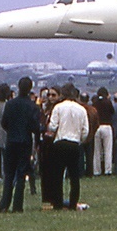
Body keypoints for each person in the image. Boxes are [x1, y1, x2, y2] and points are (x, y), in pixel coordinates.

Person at [0, 77, 42, 214]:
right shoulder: (32, 106)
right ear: (30, 88)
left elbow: (4, 122)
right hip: (25, 142)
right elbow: (35, 126)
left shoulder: (10, 104)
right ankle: (18, 205)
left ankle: (4, 203)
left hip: (11, 141)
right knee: (22, 173)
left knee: (9, 173)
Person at [47, 83, 89, 211]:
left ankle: (58, 203)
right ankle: (73, 203)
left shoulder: (58, 108)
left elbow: (52, 126)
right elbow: (85, 131)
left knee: (58, 175)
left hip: (60, 143)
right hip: (74, 143)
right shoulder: (82, 109)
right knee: (74, 176)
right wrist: (79, 139)